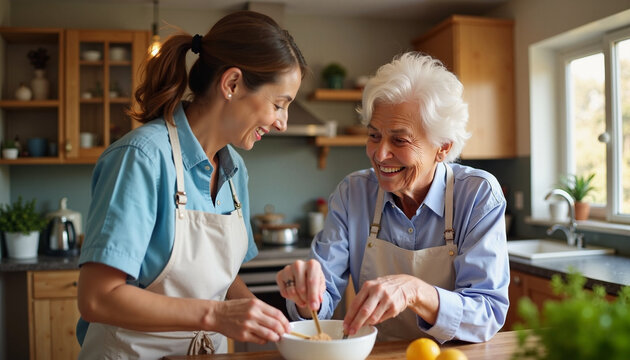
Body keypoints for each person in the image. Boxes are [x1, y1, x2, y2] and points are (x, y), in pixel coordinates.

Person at [76, 11, 307, 358]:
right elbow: (97, 298)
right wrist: (216, 315)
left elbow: (220, 279)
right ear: (231, 84)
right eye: (279, 104)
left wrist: (270, 320)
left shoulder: (235, 172)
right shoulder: (142, 158)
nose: (282, 123)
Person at [276, 52, 509, 343]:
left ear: (443, 149)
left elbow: (487, 313)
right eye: (374, 136)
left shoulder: (476, 195)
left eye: (399, 140)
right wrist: (304, 296)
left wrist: (414, 290)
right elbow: (322, 296)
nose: (380, 154)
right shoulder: (354, 194)